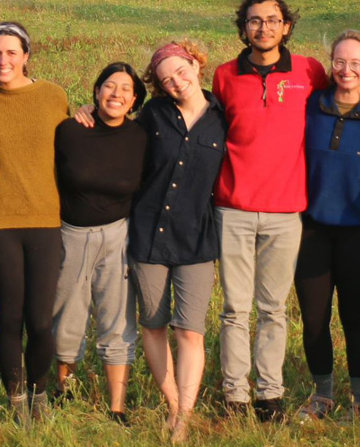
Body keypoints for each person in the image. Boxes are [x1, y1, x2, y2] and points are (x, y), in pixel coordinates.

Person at [210, 0, 329, 422]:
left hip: (285, 211)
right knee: (234, 309)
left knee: (273, 309)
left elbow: (344, 103)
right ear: (243, 28)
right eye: (255, 21)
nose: (264, 28)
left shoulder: (308, 71)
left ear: (287, 26)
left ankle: (270, 395)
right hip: (234, 208)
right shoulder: (225, 76)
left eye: (272, 20)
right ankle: (235, 395)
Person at [0, 21, 71, 421]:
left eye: (12, 52)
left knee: (41, 319)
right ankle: (15, 400)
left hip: (46, 220)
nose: (3, 60)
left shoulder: (53, 96)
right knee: (10, 316)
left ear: (27, 56)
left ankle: (39, 394)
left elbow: (72, 142)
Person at [129, 41, 226, 444]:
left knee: (190, 329)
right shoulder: (152, 115)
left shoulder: (222, 115)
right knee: (153, 323)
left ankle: (184, 414)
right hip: (149, 233)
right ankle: (172, 404)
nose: (176, 82)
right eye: (166, 79)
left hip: (196, 237)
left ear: (196, 64)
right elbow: (116, 136)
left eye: (181, 71)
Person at [294, 30, 360, 420]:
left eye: (355, 63)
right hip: (313, 229)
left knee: (355, 315)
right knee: (314, 317)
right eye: (339, 61)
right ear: (330, 63)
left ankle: (359, 399)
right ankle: (322, 395)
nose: (346, 70)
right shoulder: (311, 107)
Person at [52, 62, 147, 423]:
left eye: (125, 89)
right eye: (109, 86)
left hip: (118, 235)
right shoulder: (70, 131)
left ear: (135, 99)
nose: (116, 94)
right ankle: (64, 389)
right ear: (95, 92)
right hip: (71, 235)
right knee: (67, 315)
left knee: (118, 317)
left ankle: (117, 406)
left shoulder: (140, 137)